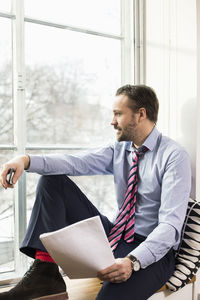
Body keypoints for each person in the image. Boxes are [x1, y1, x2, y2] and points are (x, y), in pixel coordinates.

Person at [0, 85, 191, 300]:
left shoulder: (174, 157)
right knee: (52, 181)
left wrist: (132, 261)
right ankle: (45, 276)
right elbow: (75, 162)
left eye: (118, 114)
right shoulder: (119, 150)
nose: (112, 121)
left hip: (150, 252)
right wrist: (25, 161)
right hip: (115, 236)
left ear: (141, 114)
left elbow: (170, 227)